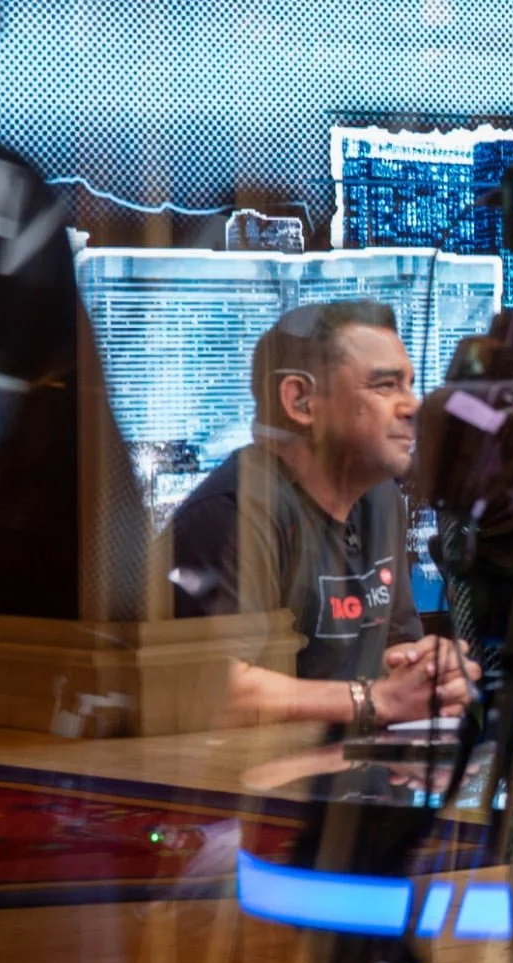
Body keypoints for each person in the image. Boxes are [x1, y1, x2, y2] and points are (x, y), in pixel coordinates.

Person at [167, 302, 478, 727]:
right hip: (248, 784)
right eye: (385, 386)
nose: (412, 406)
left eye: (410, 384)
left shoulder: (382, 498)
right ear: (300, 400)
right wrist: (375, 701)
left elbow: (396, 644)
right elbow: (213, 689)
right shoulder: (233, 511)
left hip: (349, 773)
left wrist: (428, 673)